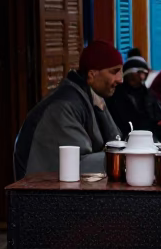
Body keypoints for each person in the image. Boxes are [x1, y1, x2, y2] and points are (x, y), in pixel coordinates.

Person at [15, 40, 123, 176]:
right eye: (114, 72)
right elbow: (77, 165)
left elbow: (115, 143)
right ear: (92, 74)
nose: (120, 79)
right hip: (41, 192)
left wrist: (102, 112)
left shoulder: (92, 98)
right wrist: (125, 160)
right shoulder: (64, 107)